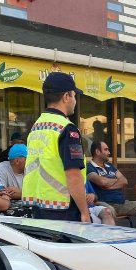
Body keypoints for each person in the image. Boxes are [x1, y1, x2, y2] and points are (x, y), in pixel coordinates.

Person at [21, 72, 89, 222]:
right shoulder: (66, 128)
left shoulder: (36, 127)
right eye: (74, 96)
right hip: (62, 209)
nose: (75, 101)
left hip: (36, 205)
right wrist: (85, 212)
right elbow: (73, 174)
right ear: (66, 97)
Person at [87, 140, 136, 231]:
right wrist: (115, 181)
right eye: (106, 150)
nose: (109, 152)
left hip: (122, 203)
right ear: (97, 152)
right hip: (104, 202)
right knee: (109, 211)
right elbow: (102, 182)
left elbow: (124, 181)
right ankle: (111, 240)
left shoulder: (110, 166)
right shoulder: (89, 167)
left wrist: (108, 185)